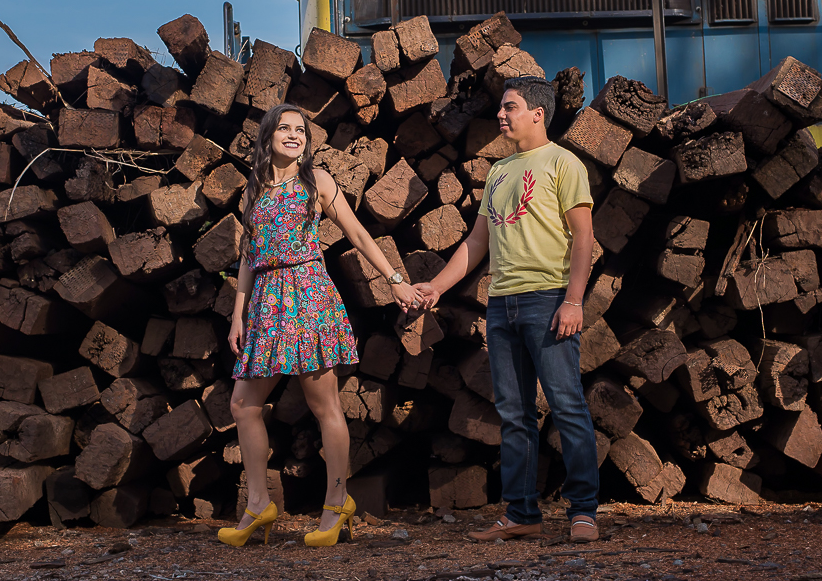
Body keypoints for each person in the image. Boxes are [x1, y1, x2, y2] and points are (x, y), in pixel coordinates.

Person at [218, 103, 421, 548]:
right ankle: (257, 505)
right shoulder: (254, 191)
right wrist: (238, 314)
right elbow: (250, 259)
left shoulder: (317, 182)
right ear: (268, 136)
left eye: (300, 131)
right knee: (242, 405)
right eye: (285, 129)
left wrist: (395, 281)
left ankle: (336, 504)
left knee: (323, 404)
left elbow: (358, 234)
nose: (294, 135)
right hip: (267, 304)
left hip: (308, 297)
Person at [413, 76, 600, 543]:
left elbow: (584, 237)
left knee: (567, 406)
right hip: (502, 305)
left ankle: (584, 512)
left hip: (549, 299)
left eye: (510, 106)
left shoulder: (563, 163)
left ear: (538, 113)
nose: (501, 114)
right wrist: (435, 286)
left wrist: (574, 300)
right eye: (502, 107)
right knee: (514, 414)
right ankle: (522, 514)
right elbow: (477, 243)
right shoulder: (498, 171)